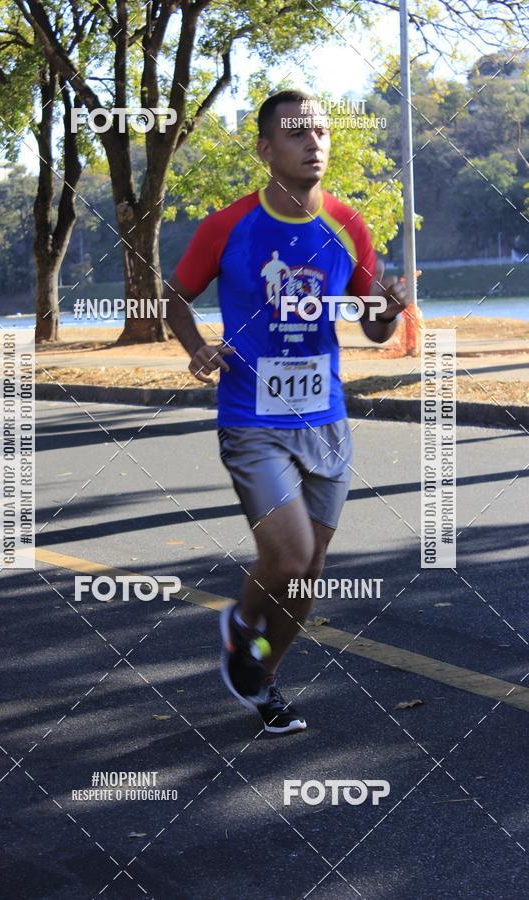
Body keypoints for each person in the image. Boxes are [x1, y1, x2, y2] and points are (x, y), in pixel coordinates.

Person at [166, 90, 409, 734]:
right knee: (289, 558)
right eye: (297, 132)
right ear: (265, 148)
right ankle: (243, 624)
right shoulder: (228, 225)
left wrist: (385, 310)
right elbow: (175, 298)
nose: (314, 142)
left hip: (325, 420)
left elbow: (374, 327)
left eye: (322, 132)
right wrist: (197, 348)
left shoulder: (350, 226)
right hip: (252, 420)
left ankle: (263, 674)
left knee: (310, 575)